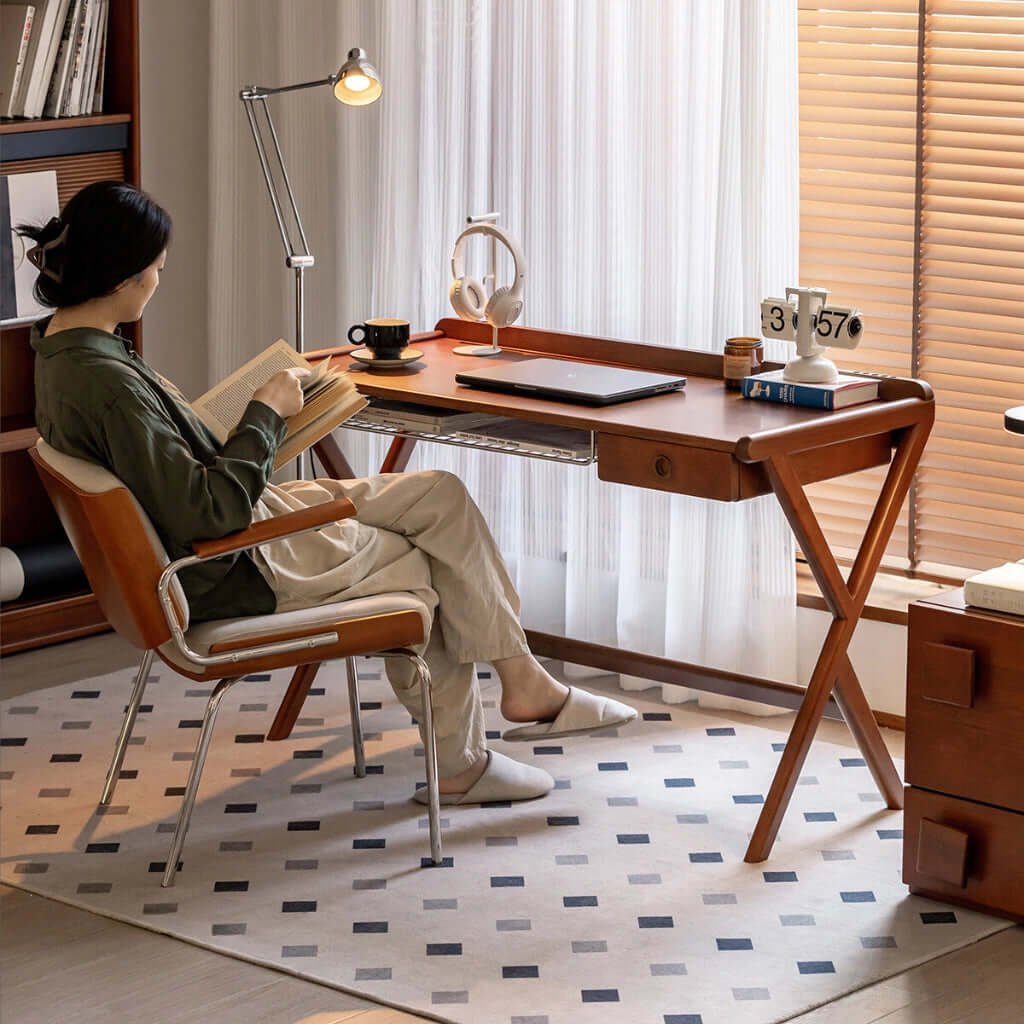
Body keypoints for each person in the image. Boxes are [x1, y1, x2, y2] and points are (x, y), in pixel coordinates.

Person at [22, 180, 636, 806]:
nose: (159, 277)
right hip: (231, 562)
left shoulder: (64, 352)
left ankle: (522, 678)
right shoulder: (108, 384)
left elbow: (172, 476)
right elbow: (209, 513)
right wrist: (263, 415)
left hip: (235, 528)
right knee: (423, 567)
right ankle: (463, 764)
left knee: (438, 496)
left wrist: (257, 425)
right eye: (156, 267)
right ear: (121, 277)